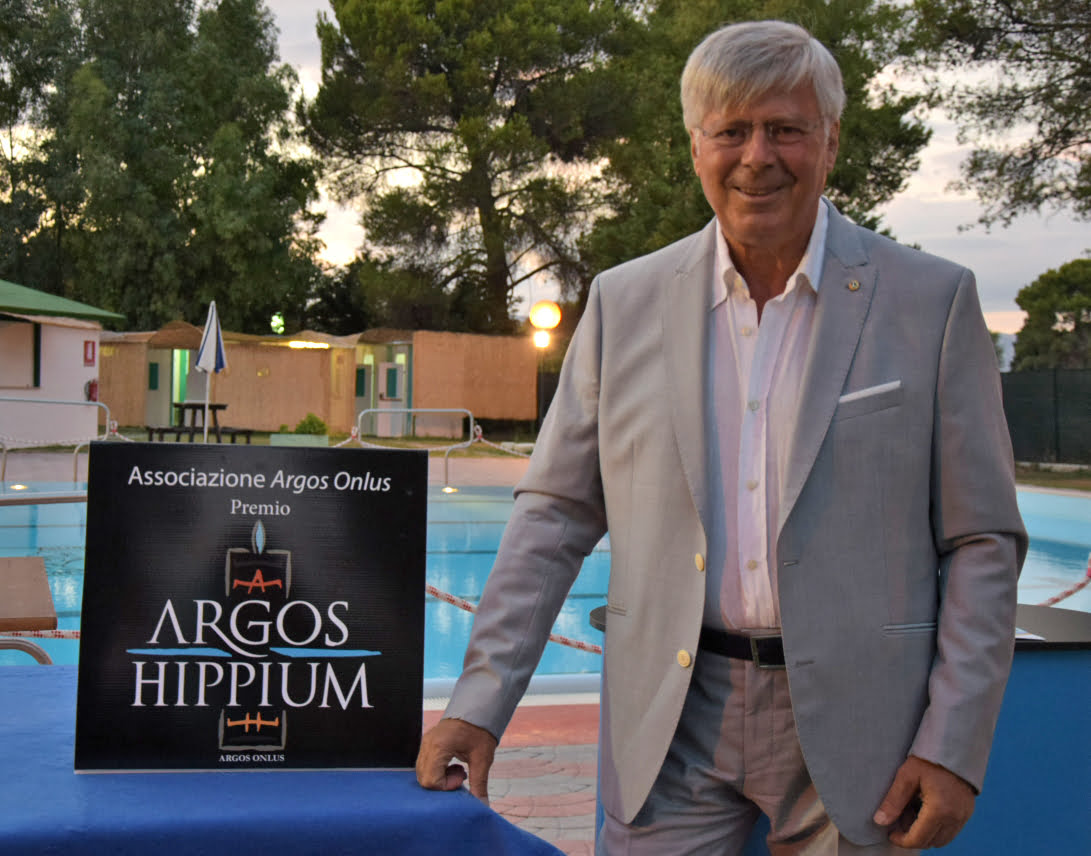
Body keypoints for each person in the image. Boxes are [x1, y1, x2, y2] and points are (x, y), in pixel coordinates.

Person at [416, 20, 1027, 855]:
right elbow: (553, 515)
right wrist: (478, 704)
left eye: (785, 129)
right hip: (671, 721)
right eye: (731, 130)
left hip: (865, 729)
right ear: (695, 145)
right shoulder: (623, 302)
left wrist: (951, 743)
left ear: (831, 140)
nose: (756, 157)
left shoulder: (931, 301)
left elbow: (981, 539)